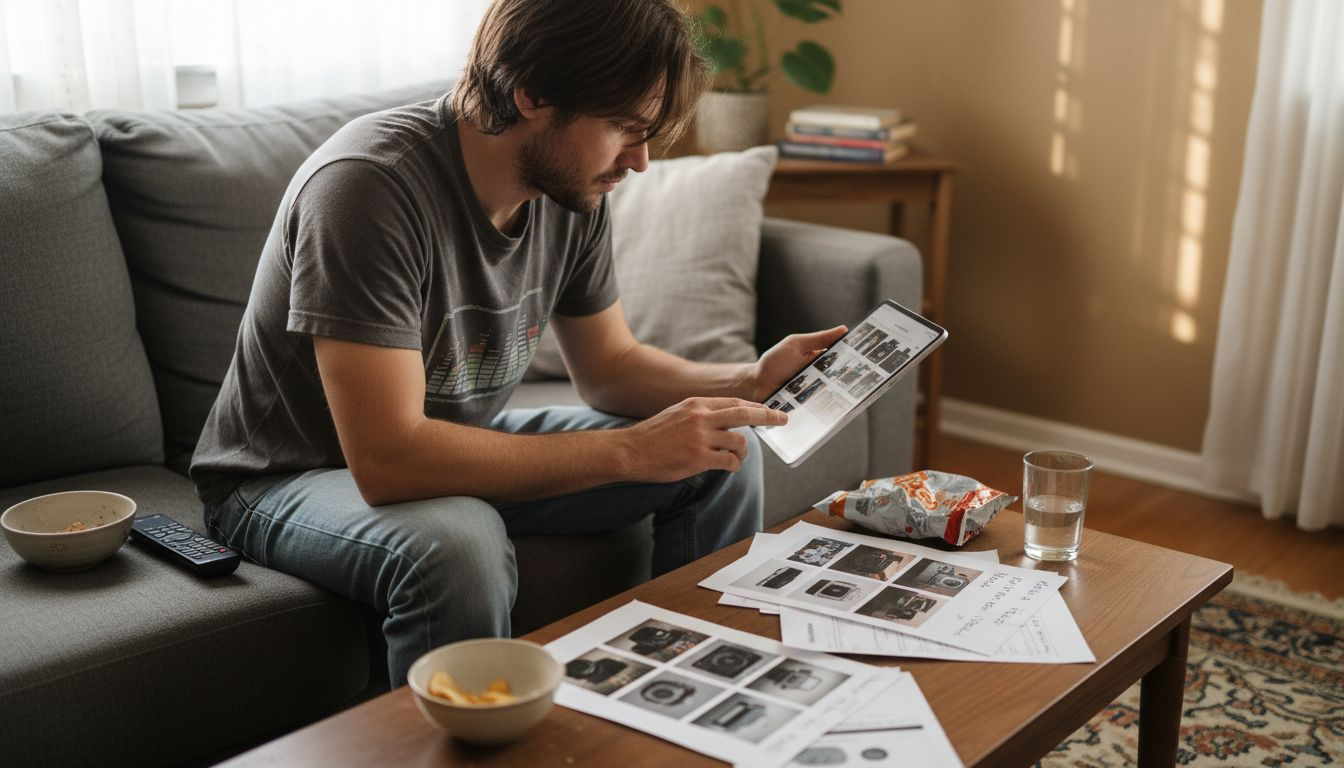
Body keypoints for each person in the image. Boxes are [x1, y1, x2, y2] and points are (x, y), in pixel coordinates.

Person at [190, 0, 846, 686]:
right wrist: (630, 450)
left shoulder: (570, 192)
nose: (641, 161)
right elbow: (388, 460)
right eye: (626, 128)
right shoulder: (367, 185)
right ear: (532, 93)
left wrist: (746, 382)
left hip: (445, 446)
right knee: (458, 543)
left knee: (721, 447)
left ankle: (694, 691)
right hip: (281, 480)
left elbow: (611, 367)